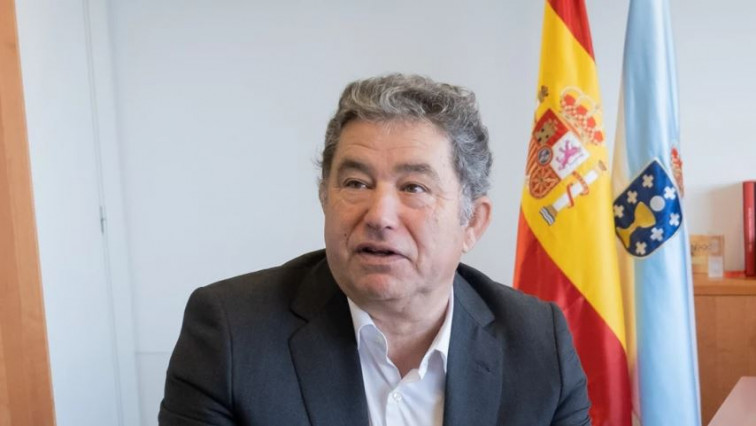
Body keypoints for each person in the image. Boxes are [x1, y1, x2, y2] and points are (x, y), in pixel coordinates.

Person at [159, 74, 591, 426]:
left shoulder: (538, 345)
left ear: (472, 223)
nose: (379, 215)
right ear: (325, 199)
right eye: (356, 183)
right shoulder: (232, 334)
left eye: (414, 187)